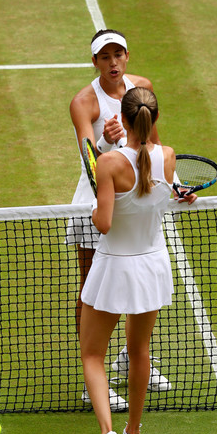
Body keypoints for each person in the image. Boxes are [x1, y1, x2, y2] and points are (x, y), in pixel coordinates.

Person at [79, 87, 197, 434]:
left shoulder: (110, 163)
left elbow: (104, 224)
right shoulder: (167, 156)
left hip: (115, 267)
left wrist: (98, 202)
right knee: (139, 350)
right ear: (153, 119)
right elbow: (168, 191)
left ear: (123, 120)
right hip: (153, 266)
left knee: (93, 355)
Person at [66, 29, 170, 411]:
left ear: (126, 57)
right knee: (92, 287)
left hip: (135, 191)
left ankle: (130, 358)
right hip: (95, 198)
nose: (112, 62)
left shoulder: (141, 88)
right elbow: (88, 158)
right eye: (104, 56)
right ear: (94, 61)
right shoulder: (83, 102)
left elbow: (153, 141)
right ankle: (91, 379)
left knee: (137, 278)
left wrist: (169, 183)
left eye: (118, 54)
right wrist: (108, 142)